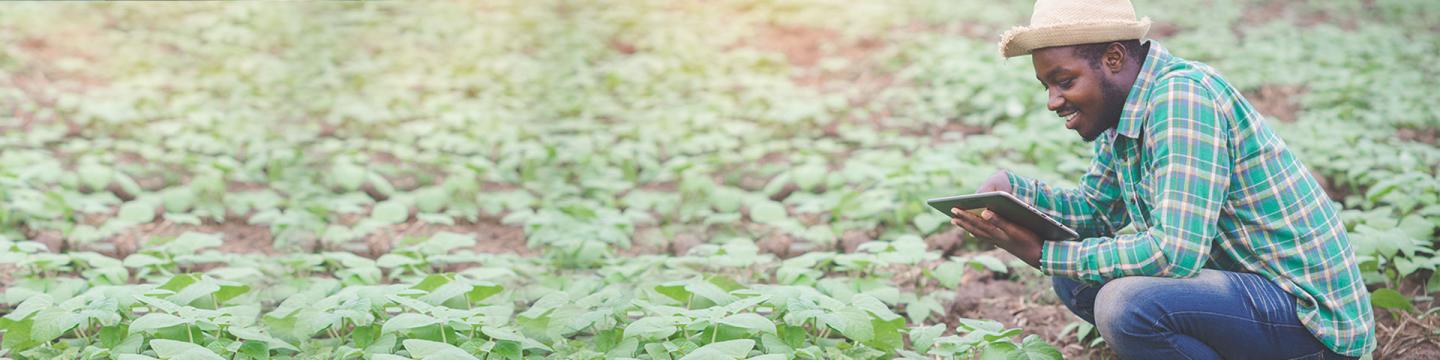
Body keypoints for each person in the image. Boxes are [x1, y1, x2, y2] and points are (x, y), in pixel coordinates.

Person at [945, 0, 1375, 358]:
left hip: (1311, 322)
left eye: (1064, 81)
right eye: (1047, 87)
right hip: (1250, 296)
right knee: (1077, 276)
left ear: (1113, 58)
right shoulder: (1123, 112)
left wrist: (1043, 253)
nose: (1054, 101)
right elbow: (1095, 213)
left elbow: (1175, 253)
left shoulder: (1181, 98)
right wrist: (1013, 194)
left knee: (1125, 304)